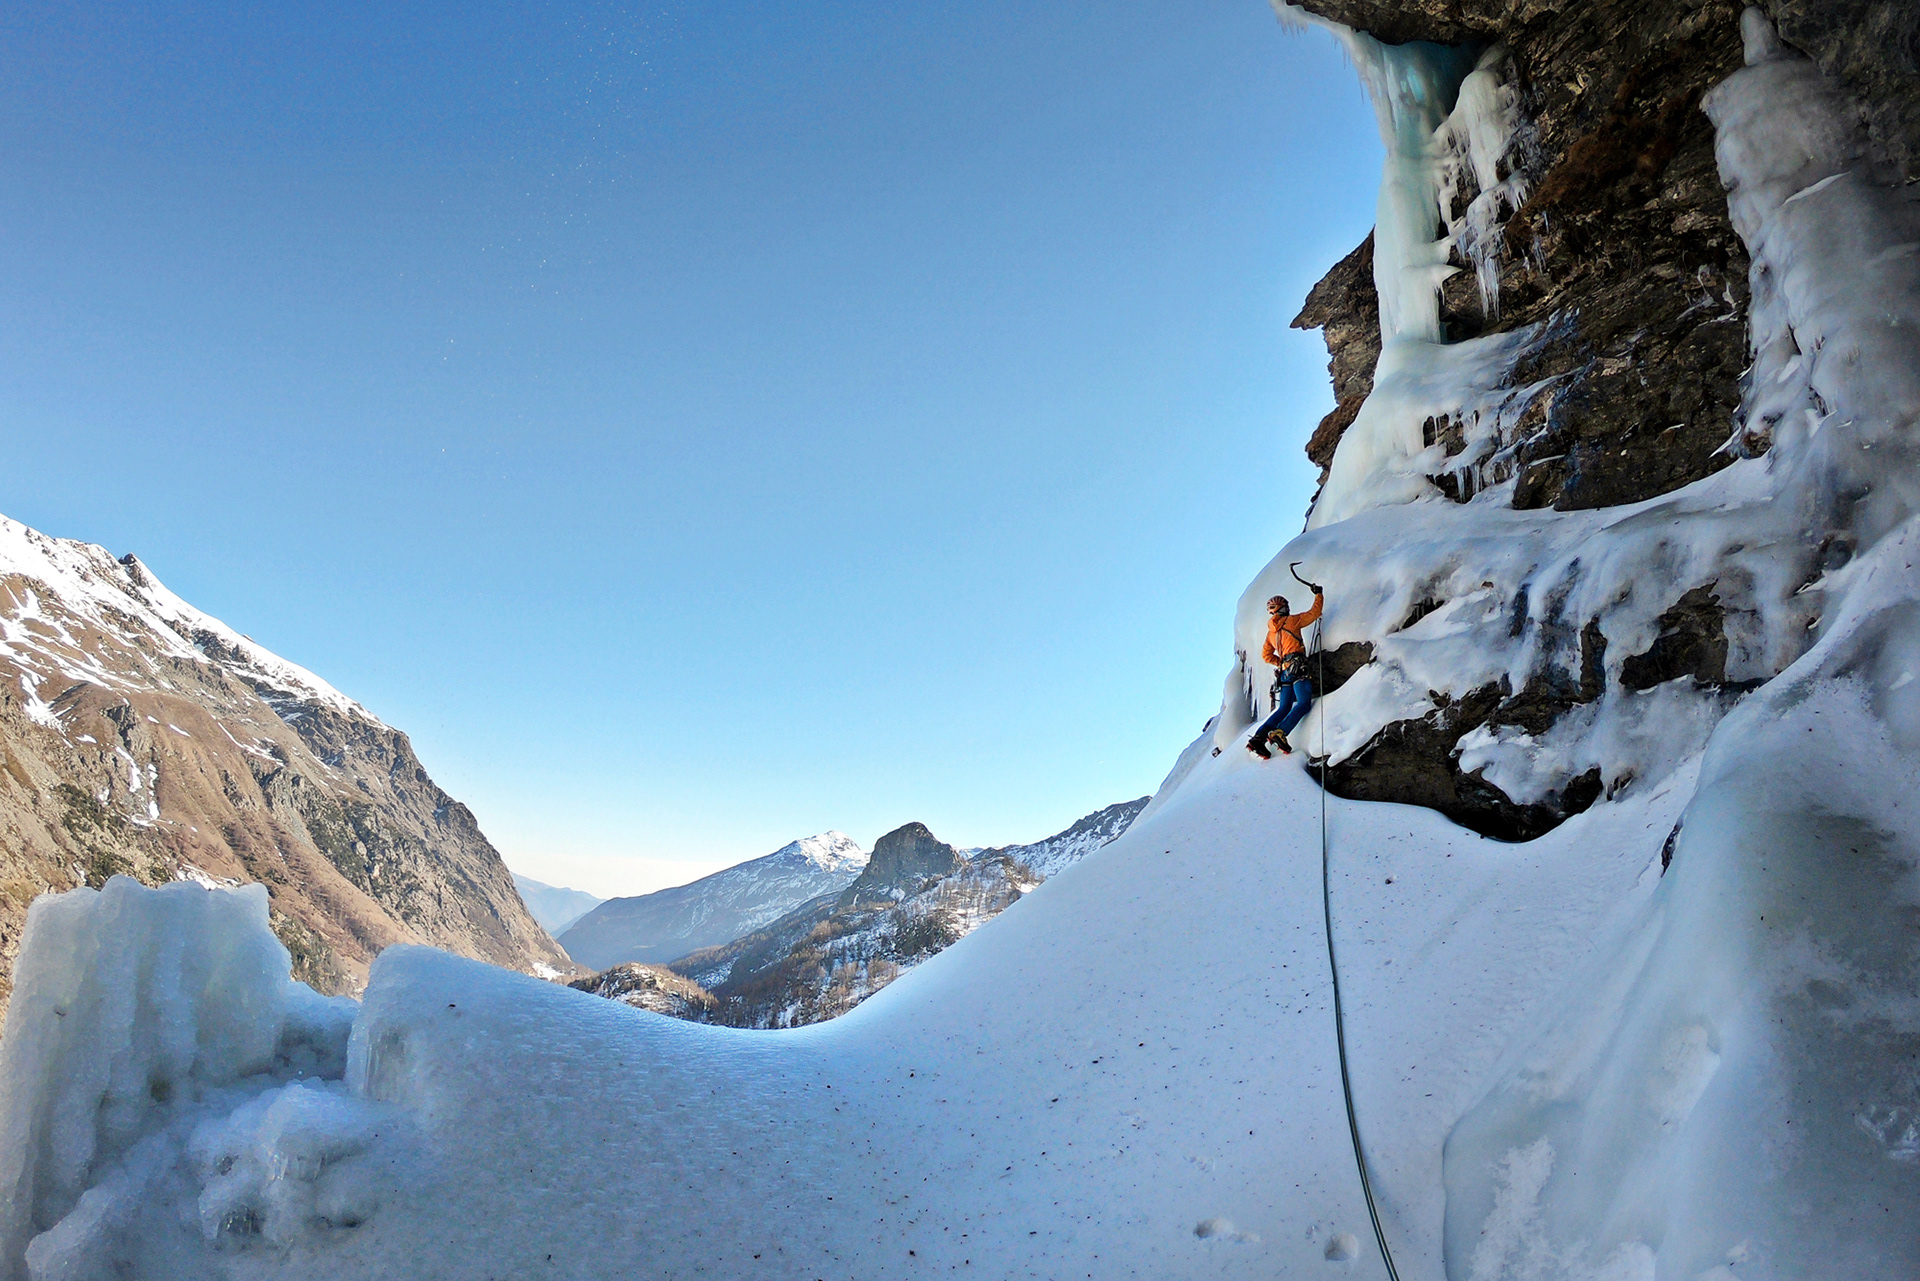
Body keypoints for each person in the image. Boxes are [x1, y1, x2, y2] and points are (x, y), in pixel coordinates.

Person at [1247, 582, 1322, 759]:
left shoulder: (1271, 633)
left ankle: (1258, 738)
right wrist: (1318, 595)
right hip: (1298, 667)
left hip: (1284, 672)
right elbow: (1314, 613)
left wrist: (1280, 662)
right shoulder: (1292, 621)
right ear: (1283, 608)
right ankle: (1280, 733)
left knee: (1284, 707)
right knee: (1303, 703)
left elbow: (1266, 655)